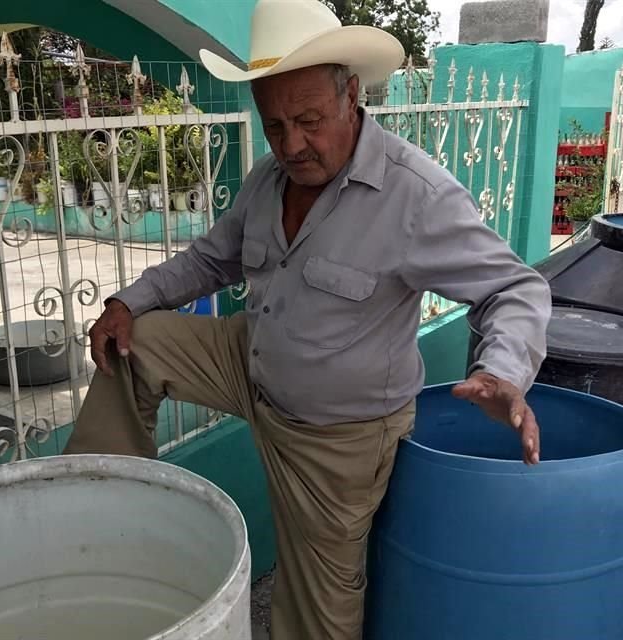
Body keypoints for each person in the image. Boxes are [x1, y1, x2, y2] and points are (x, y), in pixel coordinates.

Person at [63, 0, 552, 638]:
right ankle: (91, 517)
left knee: (316, 606)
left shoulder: (415, 195)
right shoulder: (268, 181)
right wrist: (128, 301)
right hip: (253, 363)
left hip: (338, 433)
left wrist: (503, 371)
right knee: (142, 341)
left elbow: (514, 286)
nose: (292, 144)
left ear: (352, 95)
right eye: (274, 126)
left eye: (309, 120)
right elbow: (212, 259)